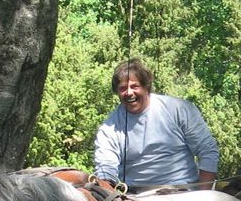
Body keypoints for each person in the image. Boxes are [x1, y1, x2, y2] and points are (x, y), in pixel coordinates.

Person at [93, 59, 219, 189]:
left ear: (146, 87)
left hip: (183, 194)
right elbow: (105, 169)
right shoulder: (109, 128)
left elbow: (208, 150)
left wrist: (203, 194)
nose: (129, 93)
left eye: (134, 86)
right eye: (123, 88)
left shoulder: (179, 109)